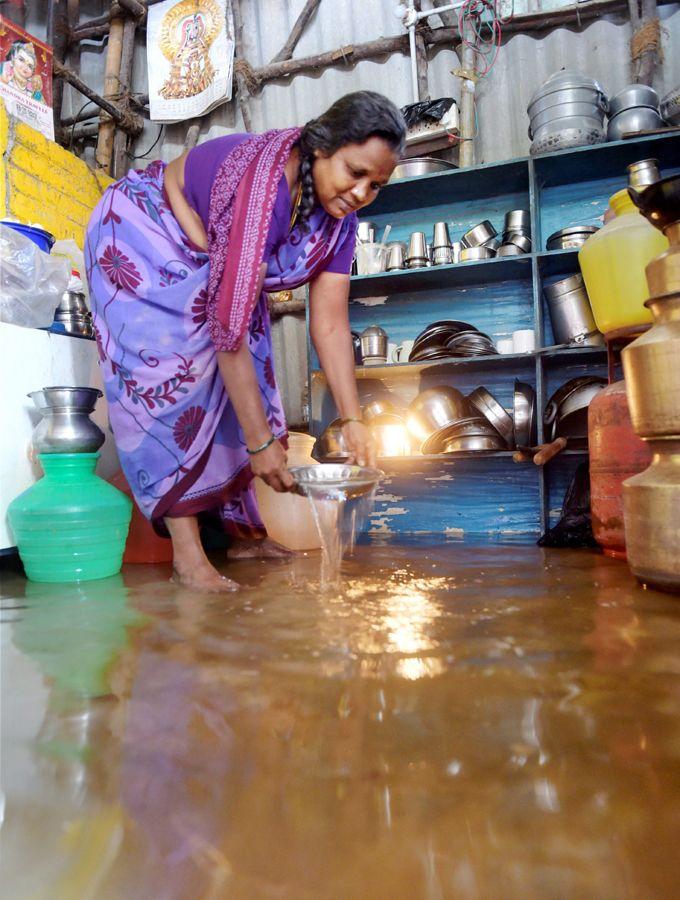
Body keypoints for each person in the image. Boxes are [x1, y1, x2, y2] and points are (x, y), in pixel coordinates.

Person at [85, 91, 405, 592]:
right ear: (322, 146)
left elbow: (330, 325)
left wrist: (353, 418)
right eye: (355, 171)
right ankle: (188, 559)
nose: (362, 191)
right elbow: (227, 330)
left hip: (210, 260)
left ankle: (243, 534)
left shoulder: (339, 222)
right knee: (175, 379)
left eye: (377, 185)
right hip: (142, 237)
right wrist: (260, 446)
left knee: (252, 373)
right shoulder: (264, 190)